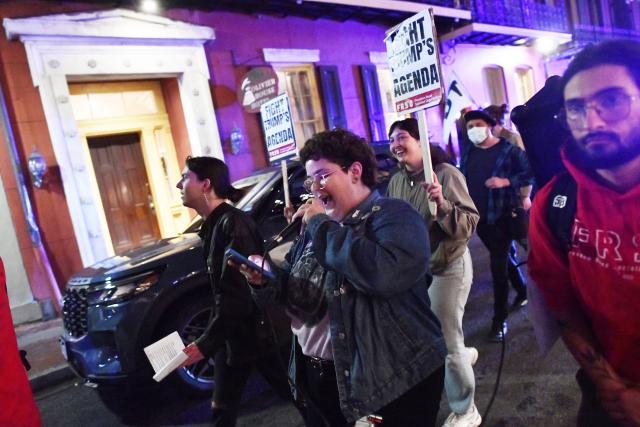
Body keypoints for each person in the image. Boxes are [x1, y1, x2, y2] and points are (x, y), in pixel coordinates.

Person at [235, 129, 447, 427]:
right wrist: (266, 279)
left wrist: (321, 225)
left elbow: (381, 274)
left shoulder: (394, 216)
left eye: (322, 176)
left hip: (390, 380)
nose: (314, 188)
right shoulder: (319, 228)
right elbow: (300, 292)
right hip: (321, 377)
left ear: (355, 171)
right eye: (310, 180)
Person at [528, 39, 640, 426]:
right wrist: (610, 387)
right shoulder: (555, 203)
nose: (591, 122)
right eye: (576, 108)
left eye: (611, 101)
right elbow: (562, 306)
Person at [175, 156, 296, 427]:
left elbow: (238, 295)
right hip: (234, 336)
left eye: (185, 178)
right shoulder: (213, 226)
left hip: (259, 335)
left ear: (205, 184)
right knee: (222, 408)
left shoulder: (233, 225)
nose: (178, 184)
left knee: (301, 397)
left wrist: (204, 344)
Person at [386, 118, 481, 427]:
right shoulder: (397, 181)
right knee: (435, 333)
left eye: (401, 137)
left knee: (446, 340)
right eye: (392, 140)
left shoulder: (446, 174)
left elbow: (468, 224)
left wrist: (442, 206)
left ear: (420, 141)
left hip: (447, 266)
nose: (395, 144)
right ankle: (461, 356)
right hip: (416, 272)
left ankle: (466, 408)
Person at [459, 110, 534, 342]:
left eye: (478, 124)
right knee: (499, 264)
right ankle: (516, 297)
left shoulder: (508, 150)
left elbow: (530, 171)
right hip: (484, 220)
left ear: (490, 125)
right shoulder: (469, 153)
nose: (473, 130)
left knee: (532, 258)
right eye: (469, 126)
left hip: (510, 214)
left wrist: (507, 182)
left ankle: (501, 319)